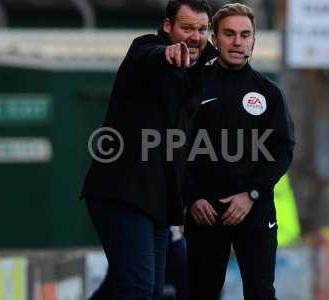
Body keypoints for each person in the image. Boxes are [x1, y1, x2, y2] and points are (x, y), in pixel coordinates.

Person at [81, 1, 216, 299]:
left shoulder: (203, 69)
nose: (195, 36)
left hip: (160, 203)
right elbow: (149, 54)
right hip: (123, 194)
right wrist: (166, 53)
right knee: (138, 289)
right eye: (187, 28)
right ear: (168, 26)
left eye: (202, 29)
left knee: (145, 290)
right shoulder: (147, 50)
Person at [182, 3, 295, 300]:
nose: (237, 41)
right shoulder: (192, 85)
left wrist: (252, 194)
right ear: (214, 39)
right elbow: (173, 145)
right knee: (201, 293)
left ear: (253, 41)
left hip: (253, 210)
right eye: (229, 34)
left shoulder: (269, 92)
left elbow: (282, 150)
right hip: (205, 212)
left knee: (260, 292)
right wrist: (192, 197)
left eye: (245, 35)